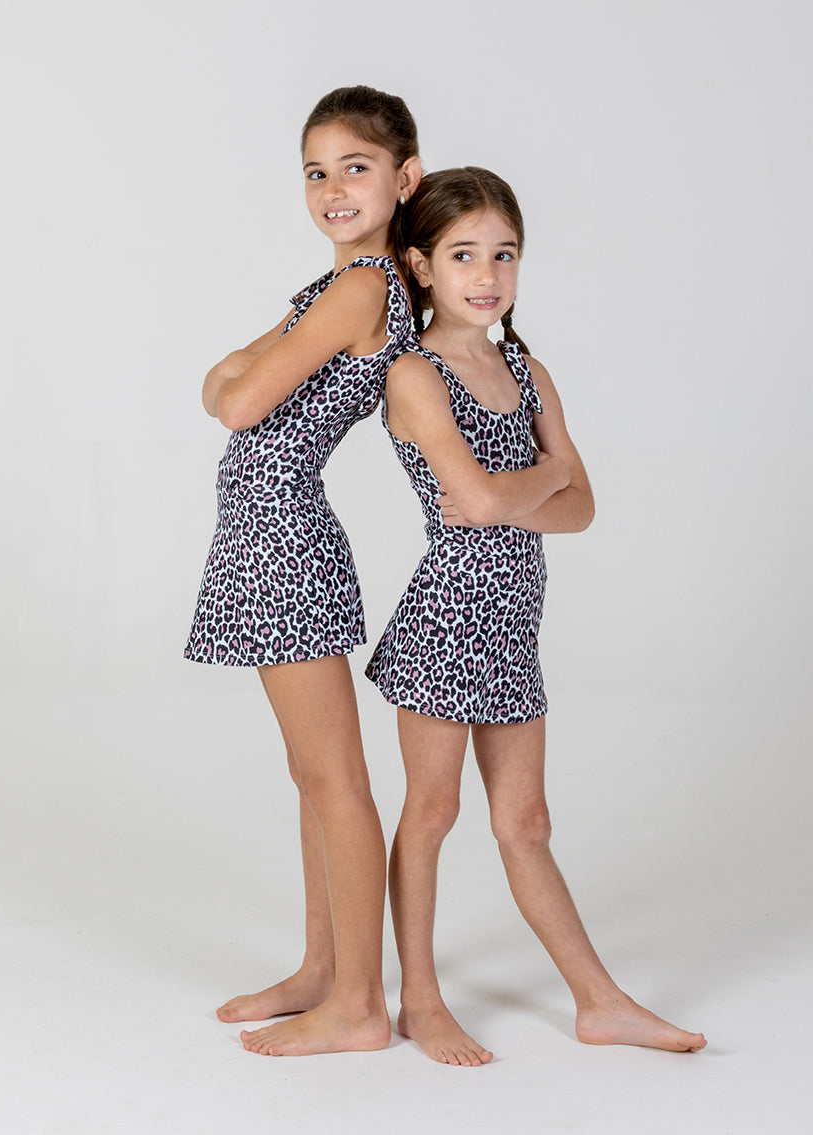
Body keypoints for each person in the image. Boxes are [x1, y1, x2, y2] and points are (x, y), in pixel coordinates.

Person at [366, 167, 707, 1065]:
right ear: (423, 265)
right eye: (464, 254)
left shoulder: (525, 367)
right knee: (433, 811)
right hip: (445, 619)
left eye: (504, 254)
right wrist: (545, 475)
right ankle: (423, 1000)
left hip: (514, 627)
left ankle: (600, 1000)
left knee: (526, 823)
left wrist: (530, 488)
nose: (487, 273)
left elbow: (583, 505)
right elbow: (474, 504)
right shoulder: (414, 372)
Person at [185, 86, 421, 1057]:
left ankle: (360, 1003)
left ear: (404, 178)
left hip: (284, 543)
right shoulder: (331, 289)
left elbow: (237, 400)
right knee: (310, 773)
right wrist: (243, 369)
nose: (331, 188)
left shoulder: (361, 290)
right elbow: (221, 379)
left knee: (335, 778)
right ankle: (323, 968)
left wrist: (245, 369)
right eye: (315, 172)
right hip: (262, 541)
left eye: (354, 167)